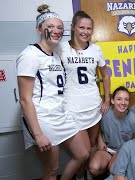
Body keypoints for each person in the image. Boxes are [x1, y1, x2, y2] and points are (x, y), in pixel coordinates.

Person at [16, 4, 89, 180]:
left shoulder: (56, 54)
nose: (56, 31)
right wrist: (38, 135)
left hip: (61, 115)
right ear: (38, 29)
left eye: (59, 28)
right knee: (51, 169)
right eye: (50, 27)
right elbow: (25, 99)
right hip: (43, 120)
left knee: (83, 154)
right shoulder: (30, 55)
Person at [55, 10, 110, 179]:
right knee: (82, 152)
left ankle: (85, 175)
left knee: (92, 145)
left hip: (93, 106)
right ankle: (79, 176)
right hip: (72, 108)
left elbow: (105, 75)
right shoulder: (61, 48)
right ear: (73, 28)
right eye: (81, 27)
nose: (85, 31)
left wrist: (106, 98)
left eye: (89, 28)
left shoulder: (96, 50)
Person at [87, 86, 135, 177]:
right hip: (106, 149)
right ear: (112, 100)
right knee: (93, 168)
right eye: (119, 99)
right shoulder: (105, 113)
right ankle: (108, 168)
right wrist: (100, 140)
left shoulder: (134, 119)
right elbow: (98, 127)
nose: (123, 103)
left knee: (114, 169)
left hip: (122, 150)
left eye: (126, 100)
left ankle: (112, 170)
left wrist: (123, 152)